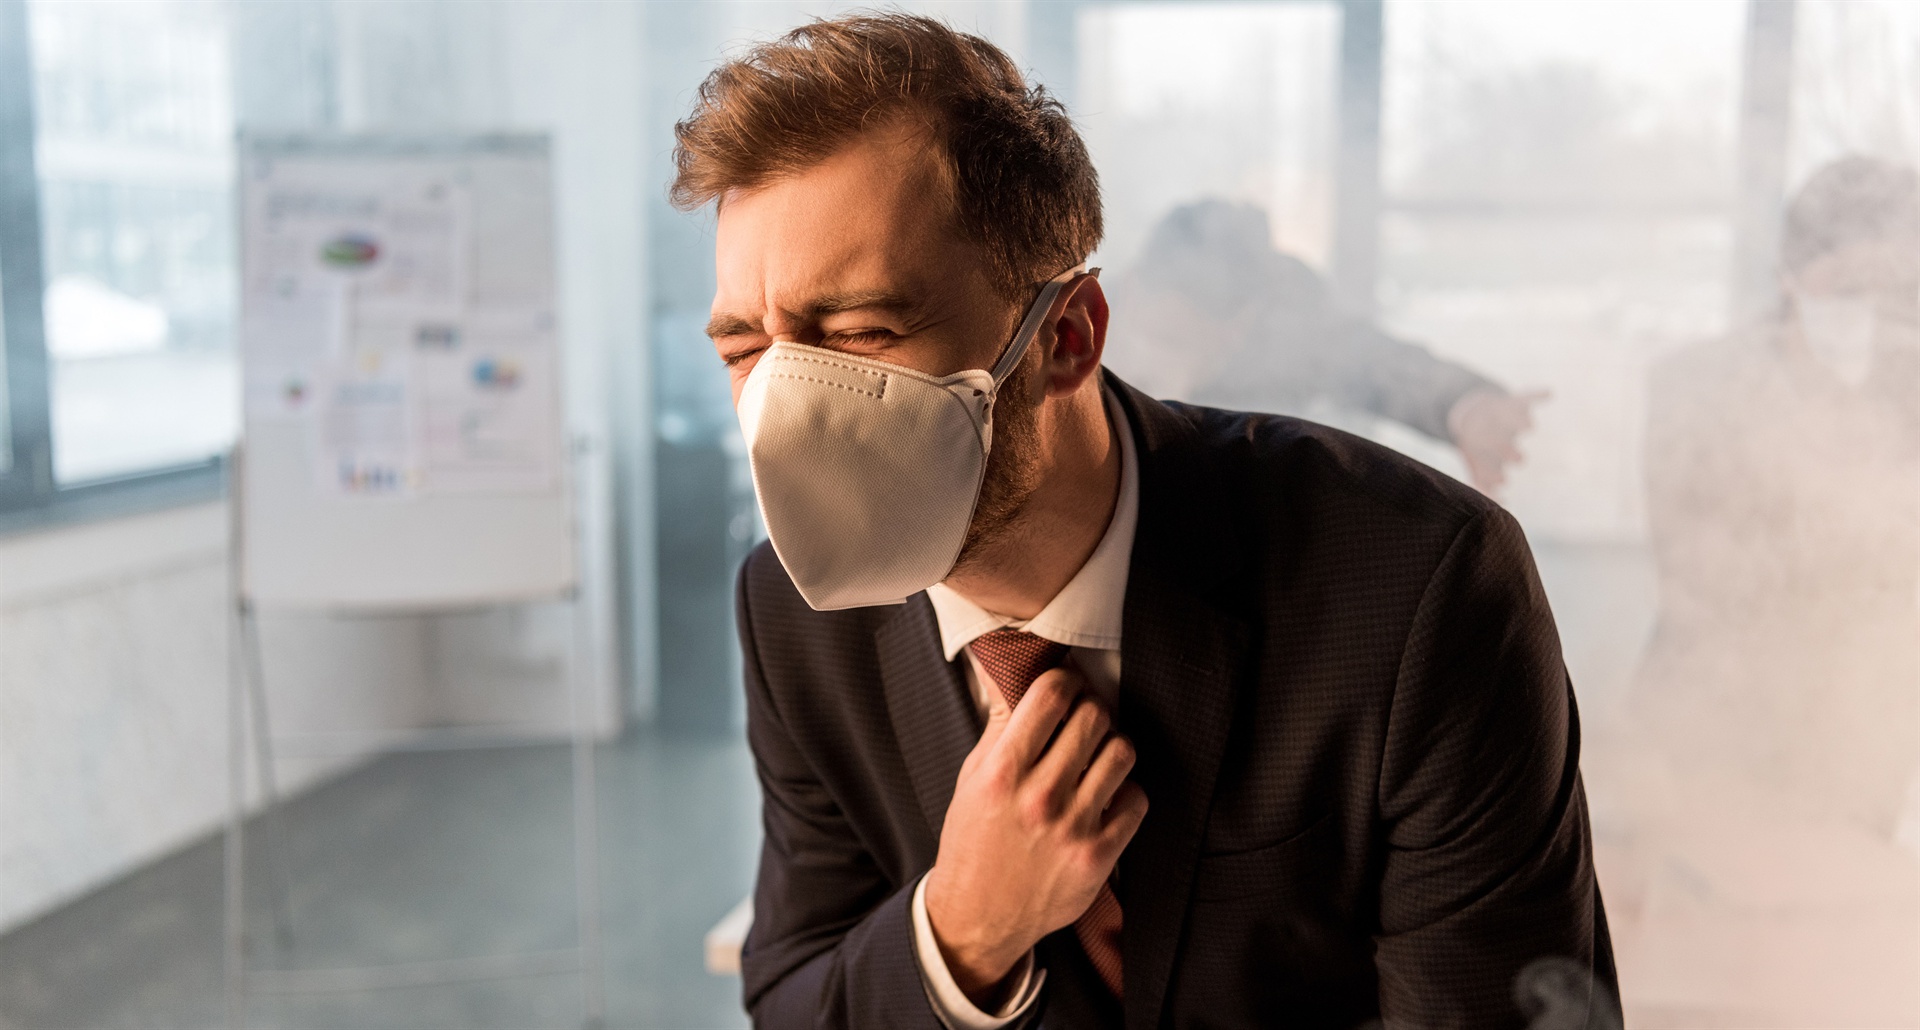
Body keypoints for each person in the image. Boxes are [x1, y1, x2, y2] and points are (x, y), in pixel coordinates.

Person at [675, 14, 1614, 1028]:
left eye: (856, 333)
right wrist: (962, 932)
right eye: (745, 352)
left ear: (1066, 337)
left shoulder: (1422, 586)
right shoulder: (794, 612)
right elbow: (793, 998)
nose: (786, 408)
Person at [1610, 157, 1920, 1022]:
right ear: (1792, 273)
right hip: (1713, 717)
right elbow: (1703, 572)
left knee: (1829, 973)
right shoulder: (1700, 384)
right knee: (1692, 967)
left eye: (1899, 279)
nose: (1878, 304)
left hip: (1866, 730)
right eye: (1850, 279)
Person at [1110, 200, 1544, 495]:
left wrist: (1461, 405)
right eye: (1161, 335)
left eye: (1186, 345)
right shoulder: (1071, 323)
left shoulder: (1285, 325)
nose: (1164, 362)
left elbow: (1372, 362)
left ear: (1237, 330)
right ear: (1133, 284)